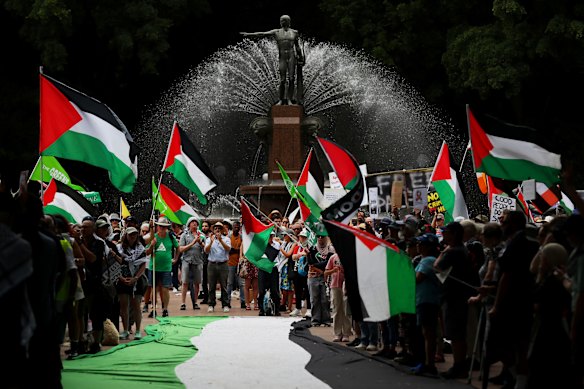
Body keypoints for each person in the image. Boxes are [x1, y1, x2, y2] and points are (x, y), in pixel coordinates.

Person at [240, 15, 304, 105]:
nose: (282, 22)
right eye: (281, 20)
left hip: (291, 56)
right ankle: (281, 99)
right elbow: (262, 34)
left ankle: (289, 99)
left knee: (291, 78)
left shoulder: (294, 32)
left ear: (289, 22)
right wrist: (249, 34)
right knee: (282, 79)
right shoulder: (276, 32)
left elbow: (297, 46)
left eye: (284, 20)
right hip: (282, 57)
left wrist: (300, 56)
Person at [116, 227, 147, 340]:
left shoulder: (141, 248)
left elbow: (143, 265)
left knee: (136, 306)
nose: (132, 236)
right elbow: (115, 264)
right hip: (122, 280)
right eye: (130, 234)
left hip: (137, 281)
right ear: (126, 235)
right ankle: (125, 330)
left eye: (134, 234)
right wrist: (121, 278)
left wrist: (136, 277)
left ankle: (138, 330)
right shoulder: (119, 248)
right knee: (124, 305)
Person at [145, 217, 179, 318]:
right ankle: (153, 308)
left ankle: (165, 309)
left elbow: (178, 248)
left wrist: (175, 258)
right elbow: (147, 252)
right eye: (160, 226)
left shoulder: (171, 237)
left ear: (167, 228)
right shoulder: (153, 237)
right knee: (153, 289)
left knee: (165, 289)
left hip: (166, 268)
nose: (162, 228)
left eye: (164, 227)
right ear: (157, 227)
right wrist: (152, 245)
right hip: (154, 267)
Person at [204, 221, 231, 312]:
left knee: (224, 285)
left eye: (219, 228)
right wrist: (211, 242)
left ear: (222, 230)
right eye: (215, 228)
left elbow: (228, 249)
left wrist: (220, 240)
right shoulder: (209, 239)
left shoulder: (226, 239)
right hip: (212, 264)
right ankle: (211, 304)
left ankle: (225, 304)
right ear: (213, 230)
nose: (217, 230)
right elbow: (206, 251)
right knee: (211, 286)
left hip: (223, 264)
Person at [178, 217, 205, 311]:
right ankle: (183, 303)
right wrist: (193, 242)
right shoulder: (184, 235)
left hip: (198, 261)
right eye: (192, 222)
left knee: (197, 282)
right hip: (186, 260)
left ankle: (195, 302)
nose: (194, 224)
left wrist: (200, 242)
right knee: (185, 282)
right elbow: (180, 249)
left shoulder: (201, 235)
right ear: (189, 224)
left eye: (196, 223)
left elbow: (206, 249)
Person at [324, 253, 351, 342]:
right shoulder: (333, 257)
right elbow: (326, 272)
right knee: (336, 309)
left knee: (345, 309)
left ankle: (346, 333)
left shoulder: (348, 255)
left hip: (346, 285)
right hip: (335, 285)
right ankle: (337, 333)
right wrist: (333, 270)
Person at [227, 221, 244, 309]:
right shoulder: (229, 237)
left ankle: (243, 301)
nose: (236, 228)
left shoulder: (241, 237)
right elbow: (228, 249)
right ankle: (227, 301)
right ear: (232, 228)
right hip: (230, 263)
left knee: (241, 283)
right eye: (235, 227)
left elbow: (242, 248)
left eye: (238, 227)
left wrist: (235, 250)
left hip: (240, 263)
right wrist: (236, 250)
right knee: (229, 283)